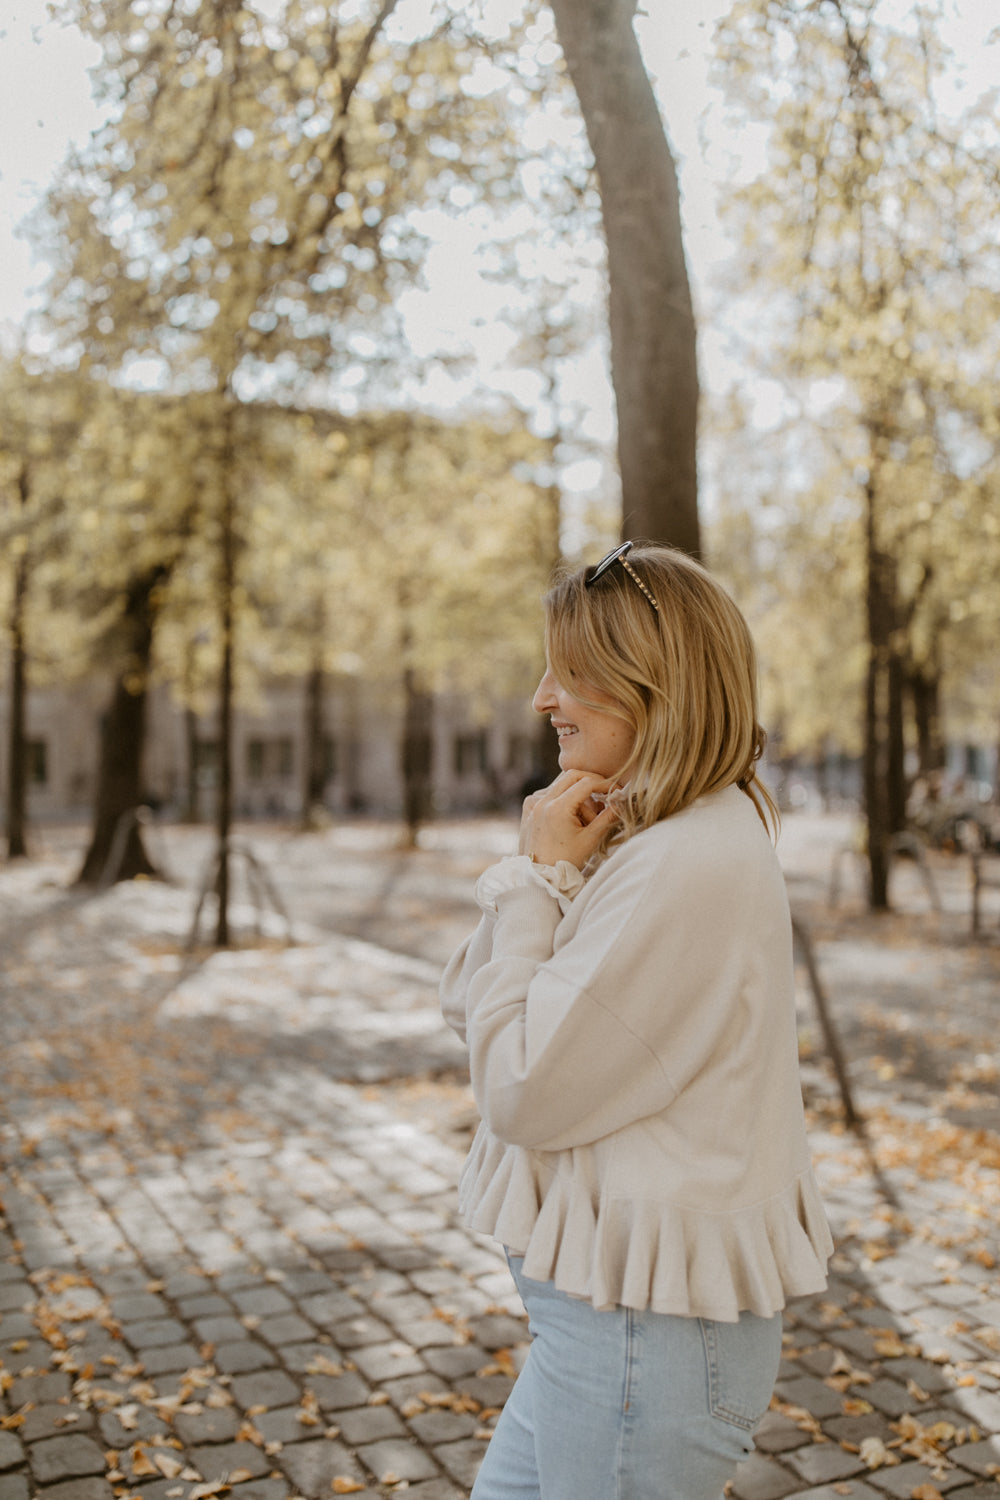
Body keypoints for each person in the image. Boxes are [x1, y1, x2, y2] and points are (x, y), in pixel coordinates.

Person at [440, 541, 833, 1500]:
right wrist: (548, 869)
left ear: (654, 686)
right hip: (605, 1328)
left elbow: (520, 1087)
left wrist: (537, 882)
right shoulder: (648, 837)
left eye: (570, 674)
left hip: (640, 1344)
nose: (542, 698)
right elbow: (470, 1000)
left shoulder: (681, 863)